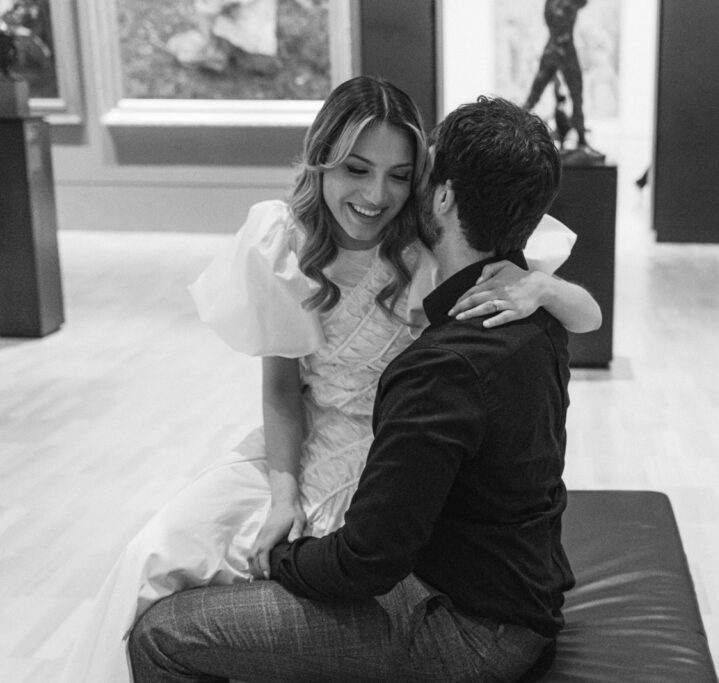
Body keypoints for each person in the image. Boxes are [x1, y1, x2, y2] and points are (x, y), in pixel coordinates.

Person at [60, 77, 599, 682]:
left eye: (400, 175)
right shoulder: (283, 242)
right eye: (357, 169)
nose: (378, 194)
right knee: (153, 559)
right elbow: (282, 385)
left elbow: (578, 308)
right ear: (322, 161)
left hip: (397, 466)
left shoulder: (447, 264)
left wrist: (545, 288)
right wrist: (284, 494)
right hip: (315, 444)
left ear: (432, 191)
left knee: (196, 618)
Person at [523, 0, 603, 165]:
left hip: (560, 49)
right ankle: (514, 125)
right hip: (559, 49)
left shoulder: (561, 3)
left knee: (575, 96)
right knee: (537, 94)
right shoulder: (557, 4)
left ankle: (581, 139)